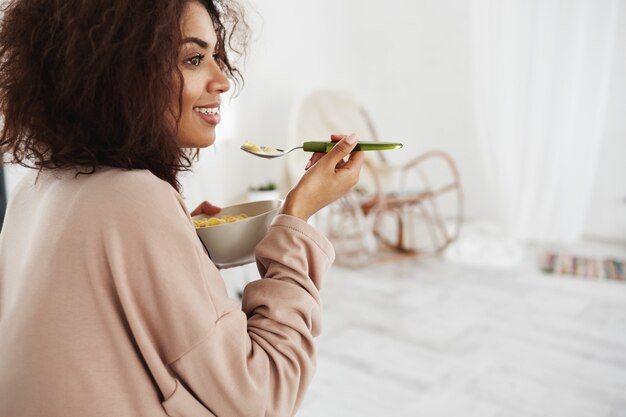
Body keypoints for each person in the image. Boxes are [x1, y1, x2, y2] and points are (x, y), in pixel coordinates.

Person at [0, 0, 364, 416]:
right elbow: (265, 395)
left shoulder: (35, 191)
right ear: (121, 73)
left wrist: (185, 244)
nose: (223, 81)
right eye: (194, 59)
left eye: (216, 56)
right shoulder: (134, 200)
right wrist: (298, 216)